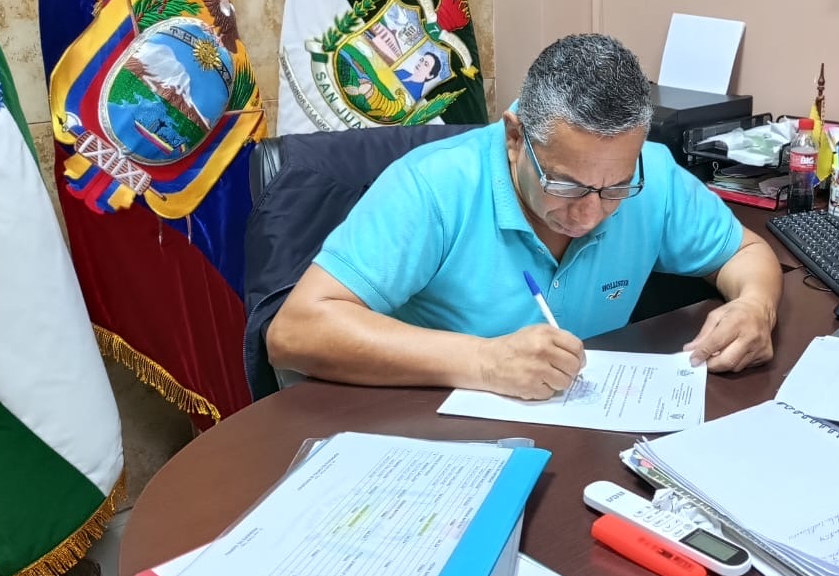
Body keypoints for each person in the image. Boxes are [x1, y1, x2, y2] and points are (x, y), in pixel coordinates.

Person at [267, 33, 783, 400]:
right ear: (515, 138)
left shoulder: (654, 177)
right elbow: (295, 332)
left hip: (574, 437)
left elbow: (745, 251)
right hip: (427, 428)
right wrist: (483, 362)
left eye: (615, 188)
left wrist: (755, 305)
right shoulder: (432, 185)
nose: (589, 213)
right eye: (566, 184)